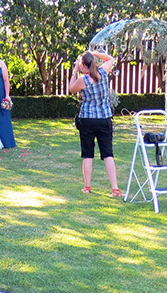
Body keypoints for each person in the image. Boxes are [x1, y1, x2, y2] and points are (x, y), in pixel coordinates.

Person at [69, 51, 121, 197]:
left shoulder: (83, 80)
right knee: (108, 154)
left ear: (83, 65)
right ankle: (115, 188)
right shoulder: (103, 72)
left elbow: (71, 89)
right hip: (104, 118)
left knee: (88, 154)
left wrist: (74, 71)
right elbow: (110, 58)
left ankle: (87, 186)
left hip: (87, 119)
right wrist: (93, 52)